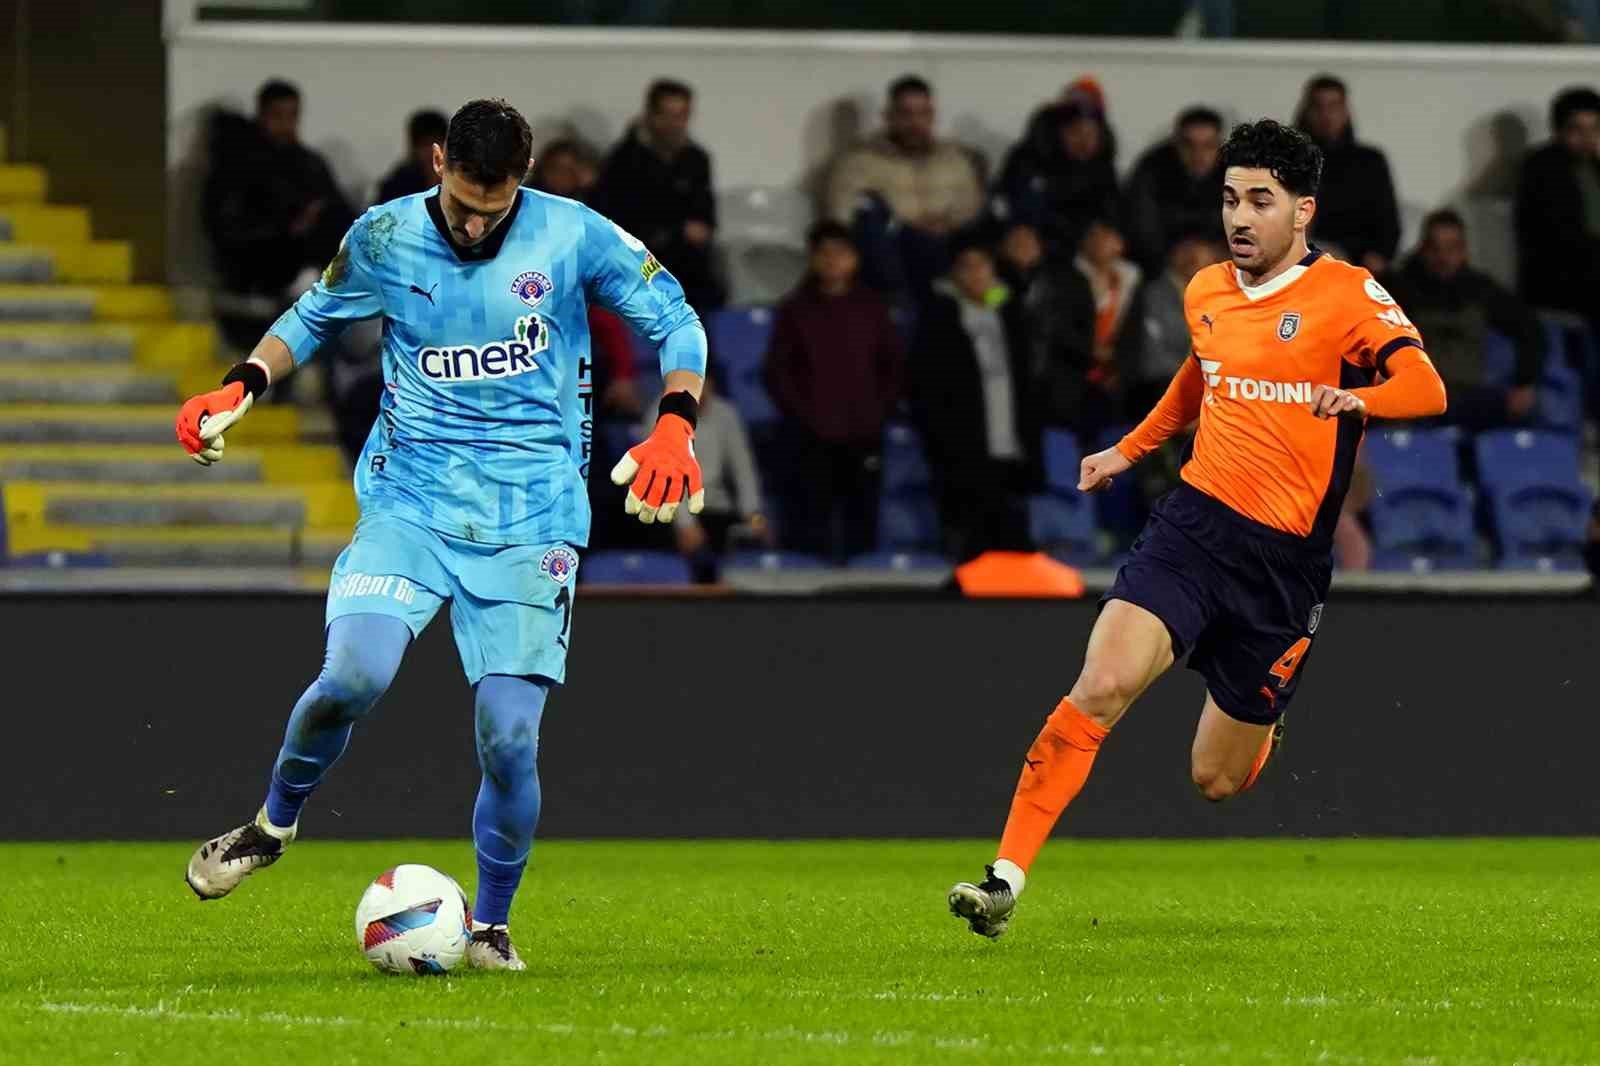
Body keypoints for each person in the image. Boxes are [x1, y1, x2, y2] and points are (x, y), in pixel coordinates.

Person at [177, 99, 708, 971]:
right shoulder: (385, 238)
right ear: (436, 162)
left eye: (491, 211)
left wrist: (676, 422)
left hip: (532, 516)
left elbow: (676, 320)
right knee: (351, 676)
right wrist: (238, 386)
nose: (471, 223)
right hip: (409, 503)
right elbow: (314, 315)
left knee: (508, 736)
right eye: (461, 201)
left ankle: (492, 926)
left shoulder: (573, 235)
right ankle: (273, 824)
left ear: (522, 184)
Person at [948, 119, 1446, 939]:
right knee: (1101, 685)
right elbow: (1199, 376)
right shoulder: (1206, 289)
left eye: (1261, 200)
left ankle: (1261, 718)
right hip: (1193, 528)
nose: (1240, 217)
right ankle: (1004, 879)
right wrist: (1128, 449)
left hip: (1284, 568)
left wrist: (1363, 398)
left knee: (1215, 779)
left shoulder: (1348, 293)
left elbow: (1425, 385)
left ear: (1302, 212)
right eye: (1229, 199)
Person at [763, 221, 903, 561]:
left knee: (863, 527)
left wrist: (875, 414)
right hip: (810, 439)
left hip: (864, 436)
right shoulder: (794, 310)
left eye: (840, 252)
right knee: (809, 529)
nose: (832, 260)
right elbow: (778, 373)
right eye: (823, 253)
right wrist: (805, 417)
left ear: (855, 259)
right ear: (812, 259)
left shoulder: (873, 309)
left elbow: (893, 369)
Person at [910, 239, 1041, 561]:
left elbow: (1029, 381)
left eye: (981, 265)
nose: (975, 274)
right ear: (954, 275)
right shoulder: (938, 319)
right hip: (963, 447)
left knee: (1012, 538)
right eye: (966, 267)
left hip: (1011, 441)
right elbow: (927, 386)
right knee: (972, 540)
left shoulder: (1013, 316)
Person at [201, 79, 356, 343]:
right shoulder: (237, 168)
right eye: (278, 116)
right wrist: (290, 229)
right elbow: (228, 229)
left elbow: (339, 213)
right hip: (259, 266)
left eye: (292, 116)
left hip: (307, 261)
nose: (286, 125)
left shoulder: (309, 164)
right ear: (262, 116)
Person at [1382, 209, 1545, 430]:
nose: (1443, 257)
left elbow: (1530, 329)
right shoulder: (1400, 289)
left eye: (1452, 248)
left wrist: (1524, 382)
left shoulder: (1481, 291)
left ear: (1464, 250)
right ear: (1423, 250)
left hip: (1469, 398)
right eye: (1435, 248)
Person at [826, 75, 986, 298]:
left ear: (932, 117)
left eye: (923, 114)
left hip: (949, 261)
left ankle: (1004, 316)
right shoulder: (857, 164)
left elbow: (971, 212)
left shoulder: (955, 160)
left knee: (1000, 291)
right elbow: (842, 221)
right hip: (891, 268)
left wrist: (945, 226)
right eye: (905, 114)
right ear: (888, 117)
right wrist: (909, 229)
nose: (915, 123)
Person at [591, 79, 724, 312]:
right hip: (636, 265)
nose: (675, 124)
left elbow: (707, 216)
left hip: (688, 268)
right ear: (650, 115)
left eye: (681, 115)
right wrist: (678, 230)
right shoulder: (622, 161)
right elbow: (618, 222)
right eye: (668, 115)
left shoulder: (696, 160)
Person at [993, 87, 1119, 262]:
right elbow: (1011, 210)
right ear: (1057, 132)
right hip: (1032, 251)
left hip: (1081, 253)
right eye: (1076, 132)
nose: (1085, 142)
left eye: (1091, 134)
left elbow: (1111, 214)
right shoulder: (1026, 161)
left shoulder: (1103, 168)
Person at [1294, 74, 1401, 274]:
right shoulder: (1288, 160)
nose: (1326, 115)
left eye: (1334, 106)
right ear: (1306, 112)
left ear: (1346, 111)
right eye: (1318, 107)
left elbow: (1388, 223)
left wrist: (1380, 254)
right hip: (1300, 255)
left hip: (1358, 260)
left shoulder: (1370, 162)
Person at [673, 364, 769, 582]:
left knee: (751, 533)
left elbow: (744, 471)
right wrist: (685, 525)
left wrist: (752, 513)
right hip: (672, 509)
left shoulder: (726, 414)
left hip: (715, 508)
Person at [1514, 86, 1600, 321]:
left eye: (1594, 129)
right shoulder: (1541, 169)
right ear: (1559, 130)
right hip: (1559, 281)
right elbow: (1556, 236)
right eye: (1578, 129)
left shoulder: (1594, 167)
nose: (1588, 138)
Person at [1118, 231, 1226, 418]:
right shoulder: (1153, 295)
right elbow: (1152, 359)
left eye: (1203, 250)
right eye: (1188, 249)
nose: (1197, 256)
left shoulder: (1217, 296)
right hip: (1157, 394)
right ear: (1175, 254)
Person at [1122, 106, 1226, 276]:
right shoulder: (1152, 169)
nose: (1198, 154)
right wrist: (1174, 256)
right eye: (1189, 145)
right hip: (1161, 268)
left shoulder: (1236, 171)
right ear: (1176, 143)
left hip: (1218, 263)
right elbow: (1139, 229)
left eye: (1208, 145)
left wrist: (1213, 252)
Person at [1075, 219, 1142, 410]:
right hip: (1076, 374)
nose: (1099, 242)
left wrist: (1119, 366)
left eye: (1106, 236)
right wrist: (1090, 347)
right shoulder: (1069, 278)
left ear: (1119, 243)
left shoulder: (1131, 279)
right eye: (1093, 236)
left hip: (1117, 377)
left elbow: (1134, 332)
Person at [376, 109, 448, 204]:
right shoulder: (399, 184)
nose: (431, 151)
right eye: (425, 144)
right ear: (415, 148)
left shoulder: (463, 178)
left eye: (438, 142)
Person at [529, 136, 600, 202]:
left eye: (570, 170)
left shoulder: (585, 200)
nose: (563, 175)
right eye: (556, 168)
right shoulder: (527, 197)